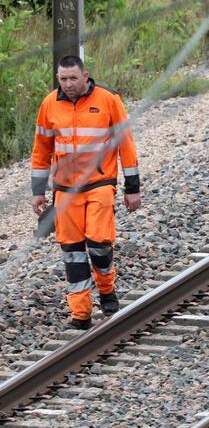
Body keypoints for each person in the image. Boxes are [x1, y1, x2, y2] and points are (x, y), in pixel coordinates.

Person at [30, 55, 141, 329]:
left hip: (100, 184)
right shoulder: (49, 105)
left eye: (73, 78)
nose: (68, 84)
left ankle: (106, 288)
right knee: (72, 251)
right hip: (65, 191)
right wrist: (38, 192)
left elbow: (126, 145)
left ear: (85, 75)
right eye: (63, 79)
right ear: (58, 78)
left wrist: (132, 187)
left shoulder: (108, 100)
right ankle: (80, 313)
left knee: (99, 243)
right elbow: (41, 150)